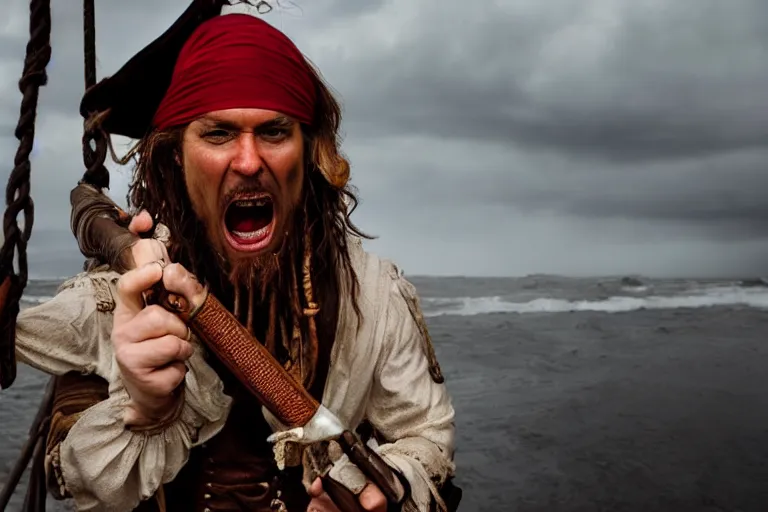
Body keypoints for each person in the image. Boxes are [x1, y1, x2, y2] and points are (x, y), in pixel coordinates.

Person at [12, 5, 458, 512]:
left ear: (308, 152)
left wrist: (388, 485)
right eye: (218, 134)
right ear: (177, 154)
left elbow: (426, 439)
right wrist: (144, 409)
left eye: (273, 131)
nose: (248, 162)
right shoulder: (115, 297)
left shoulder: (372, 298)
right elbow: (68, 478)